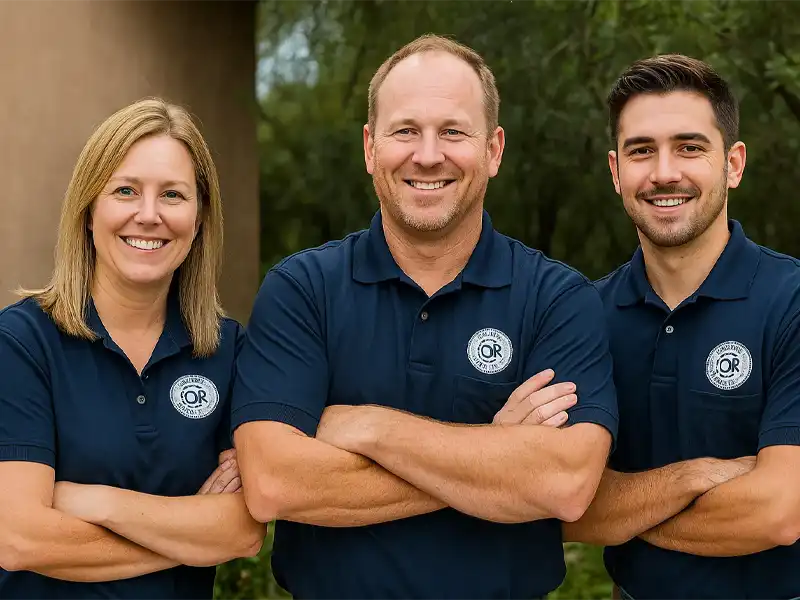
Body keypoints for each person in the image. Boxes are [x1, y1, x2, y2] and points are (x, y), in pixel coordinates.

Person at [231, 34, 618, 600]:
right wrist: (494, 451)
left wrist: (369, 427)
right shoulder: (302, 291)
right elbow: (272, 484)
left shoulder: (558, 298)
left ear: (494, 149)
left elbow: (564, 485)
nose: (428, 154)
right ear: (370, 147)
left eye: (454, 132)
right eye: (405, 130)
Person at [0, 98, 266, 599]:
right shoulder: (21, 344)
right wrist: (190, 535)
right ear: (88, 209)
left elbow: (242, 531)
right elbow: (20, 538)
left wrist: (93, 502)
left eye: (172, 195)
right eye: (125, 191)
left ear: (200, 217)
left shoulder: (229, 352)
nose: (149, 215)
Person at [561, 55, 800, 600]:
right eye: (641, 150)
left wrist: (622, 510)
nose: (664, 172)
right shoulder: (582, 316)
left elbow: (779, 511)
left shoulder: (791, 302)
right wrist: (692, 479)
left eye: (690, 147)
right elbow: (560, 508)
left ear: (733, 164)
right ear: (616, 170)